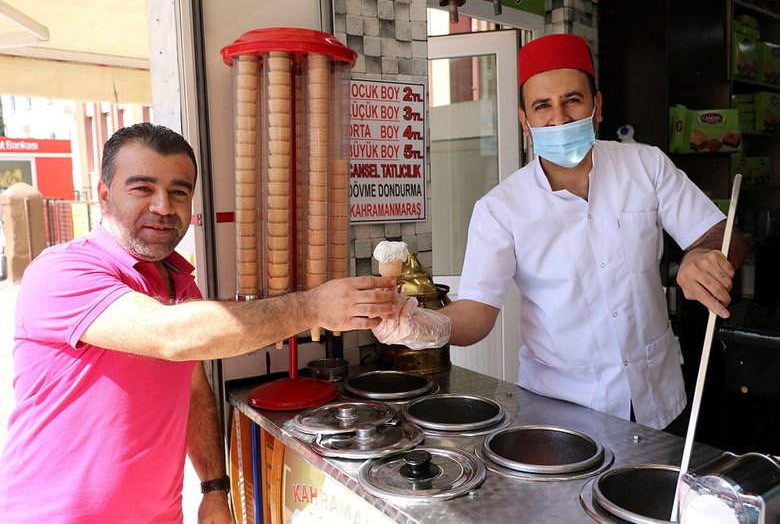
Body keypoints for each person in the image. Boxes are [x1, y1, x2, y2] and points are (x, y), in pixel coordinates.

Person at [0, 123, 397, 524]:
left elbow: (192, 388)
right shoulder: (63, 271)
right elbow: (169, 336)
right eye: (142, 188)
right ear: (104, 195)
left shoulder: (178, 280)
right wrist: (313, 307)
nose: (163, 206)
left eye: (178, 191)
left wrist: (214, 489)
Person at [374, 34, 747, 431]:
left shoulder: (646, 165)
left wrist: (701, 257)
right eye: (542, 106)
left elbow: (724, 236)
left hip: (658, 397)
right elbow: (477, 312)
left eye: (572, 100)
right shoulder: (501, 209)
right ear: (525, 122)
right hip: (561, 414)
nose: (560, 118)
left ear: (597, 106)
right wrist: (430, 326)